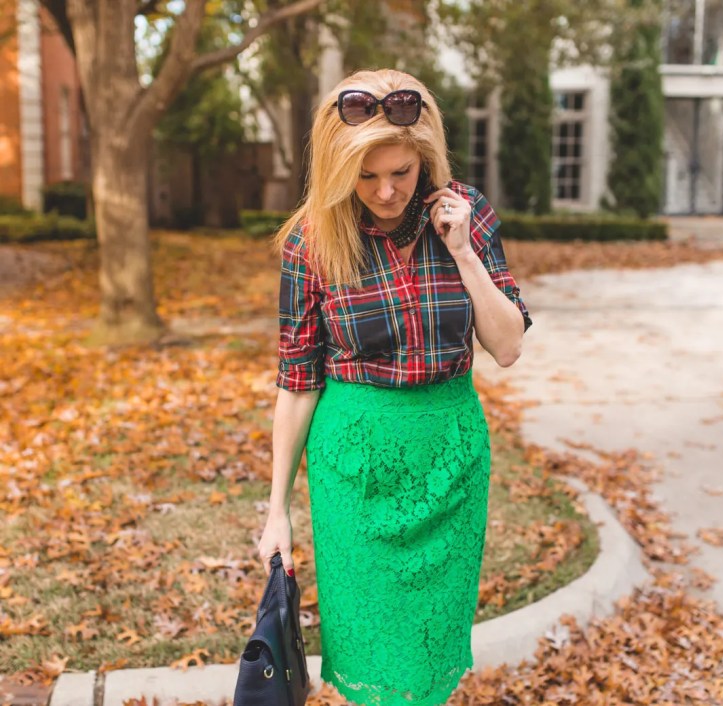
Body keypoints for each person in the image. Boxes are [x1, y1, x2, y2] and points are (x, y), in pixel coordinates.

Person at [257, 68, 532, 706]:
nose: (385, 191)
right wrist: (277, 511)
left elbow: (507, 346)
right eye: (366, 175)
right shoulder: (313, 239)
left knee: (429, 661)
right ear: (339, 169)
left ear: (425, 157)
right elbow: (297, 382)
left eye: (401, 172)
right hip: (356, 472)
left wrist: (463, 252)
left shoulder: (466, 214)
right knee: (372, 660)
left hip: (449, 462)